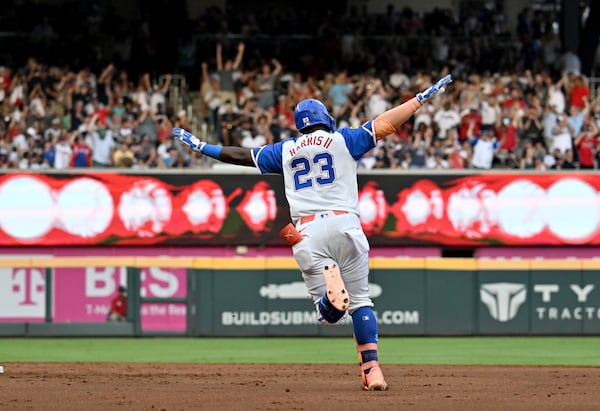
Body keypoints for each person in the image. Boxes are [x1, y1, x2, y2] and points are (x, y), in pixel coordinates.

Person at [173, 74, 453, 391]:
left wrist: (201, 146)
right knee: (361, 303)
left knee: (328, 315)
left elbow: (241, 155)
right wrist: (419, 99)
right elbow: (386, 124)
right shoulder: (344, 140)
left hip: (306, 231)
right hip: (346, 223)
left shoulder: (286, 149)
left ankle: (332, 303)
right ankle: (372, 370)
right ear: (326, 119)